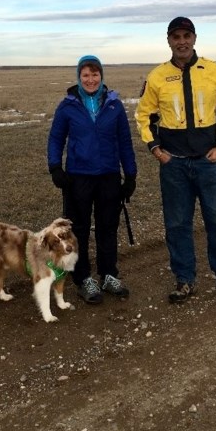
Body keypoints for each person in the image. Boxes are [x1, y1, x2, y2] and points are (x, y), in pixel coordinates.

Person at [134, 17, 216, 305]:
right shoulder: (156, 77)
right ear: (169, 41)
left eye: (186, 35)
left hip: (207, 163)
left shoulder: (213, 71)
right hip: (173, 165)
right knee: (177, 225)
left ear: (195, 38)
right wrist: (155, 150)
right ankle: (184, 280)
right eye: (176, 36)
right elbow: (143, 116)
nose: (182, 41)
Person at [47, 55, 138, 304]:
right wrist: (55, 167)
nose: (90, 79)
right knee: (79, 231)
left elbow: (125, 142)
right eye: (85, 75)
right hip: (78, 178)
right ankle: (83, 278)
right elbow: (56, 138)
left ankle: (109, 275)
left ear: (102, 76)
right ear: (79, 77)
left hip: (108, 176)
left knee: (108, 227)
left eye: (95, 74)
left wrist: (130, 174)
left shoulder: (114, 105)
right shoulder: (67, 106)